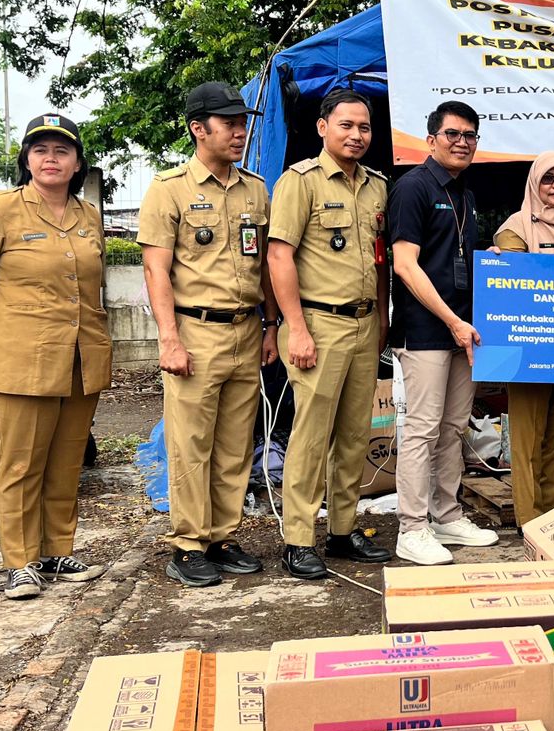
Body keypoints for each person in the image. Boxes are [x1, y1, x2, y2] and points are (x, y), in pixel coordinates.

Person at [0, 114, 112, 599]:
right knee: (20, 464)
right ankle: (20, 563)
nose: (51, 159)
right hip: (20, 358)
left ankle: (56, 550)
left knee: (66, 461)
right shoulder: (0, 209)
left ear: (78, 163)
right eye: (40, 150)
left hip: (80, 357)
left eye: (62, 151)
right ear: (27, 160)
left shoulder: (89, 216)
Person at [137, 83, 280, 589]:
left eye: (243, 123)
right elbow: (155, 270)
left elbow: (264, 266)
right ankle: (188, 544)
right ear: (199, 129)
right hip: (195, 331)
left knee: (236, 444)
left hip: (246, 330)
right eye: (229, 123)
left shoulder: (255, 189)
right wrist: (169, 340)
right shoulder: (169, 189)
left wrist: (271, 325)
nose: (240, 132)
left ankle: (223, 536)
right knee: (191, 444)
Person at [268, 88, 392, 577]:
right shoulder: (300, 182)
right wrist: (295, 328)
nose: (357, 135)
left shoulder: (377, 186)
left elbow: (379, 262)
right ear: (323, 128)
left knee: (355, 434)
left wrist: (382, 320)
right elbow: (279, 256)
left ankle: (342, 530)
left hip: (364, 324)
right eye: (346, 125)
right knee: (311, 437)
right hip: (318, 325)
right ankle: (298, 539)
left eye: (364, 127)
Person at [387, 101, 500, 566]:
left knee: (454, 428)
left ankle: (447, 515)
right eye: (453, 134)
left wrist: (493, 260)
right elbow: (405, 265)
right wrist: (451, 321)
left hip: (463, 331)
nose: (462, 142)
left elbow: (457, 259)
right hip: (426, 331)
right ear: (431, 139)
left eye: (470, 135)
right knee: (423, 429)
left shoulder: (464, 194)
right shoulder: (412, 187)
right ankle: (412, 528)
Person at [494, 151, 554, 526]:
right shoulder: (515, 228)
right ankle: (528, 518)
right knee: (527, 436)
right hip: (528, 348)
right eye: (548, 178)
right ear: (535, 183)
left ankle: (549, 510)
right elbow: (514, 281)